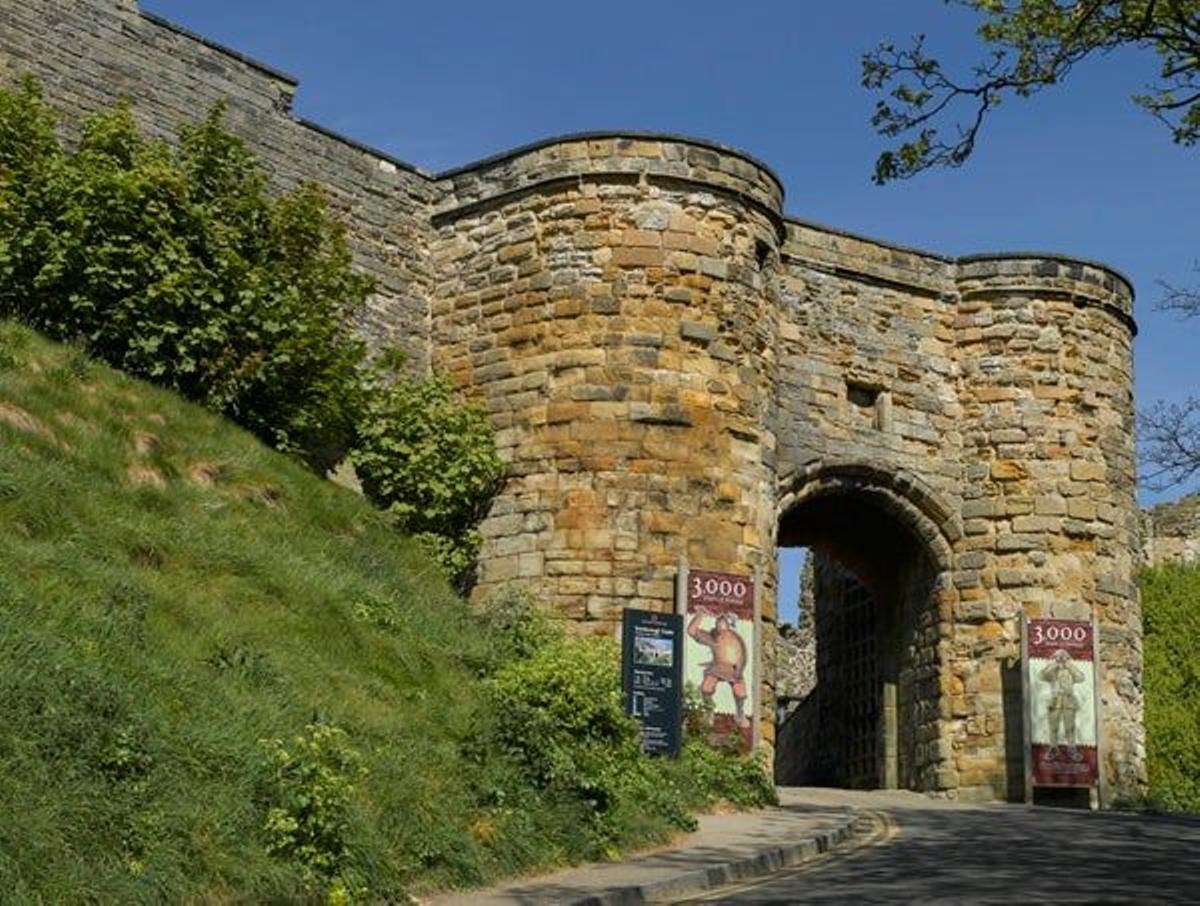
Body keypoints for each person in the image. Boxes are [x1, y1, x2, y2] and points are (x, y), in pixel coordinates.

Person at [687, 611, 749, 729]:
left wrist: (739, 670)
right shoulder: (713, 637)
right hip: (717, 667)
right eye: (719, 621)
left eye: (723, 621)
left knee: (740, 693)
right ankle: (708, 711)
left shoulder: (736, 638)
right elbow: (691, 631)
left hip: (734, 669)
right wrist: (700, 615)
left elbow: (743, 654)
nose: (720, 623)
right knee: (706, 688)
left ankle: (740, 713)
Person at [1040, 648, 1084, 756]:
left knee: (1070, 727)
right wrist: (1054, 664)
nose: (1061, 660)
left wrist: (1069, 665)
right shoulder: (1052, 670)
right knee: (1053, 727)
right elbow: (1041, 676)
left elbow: (1081, 678)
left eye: (1063, 657)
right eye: (1058, 657)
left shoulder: (1070, 669)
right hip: (1055, 701)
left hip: (1069, 700)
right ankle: (1053, 748)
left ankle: (1072, 748)